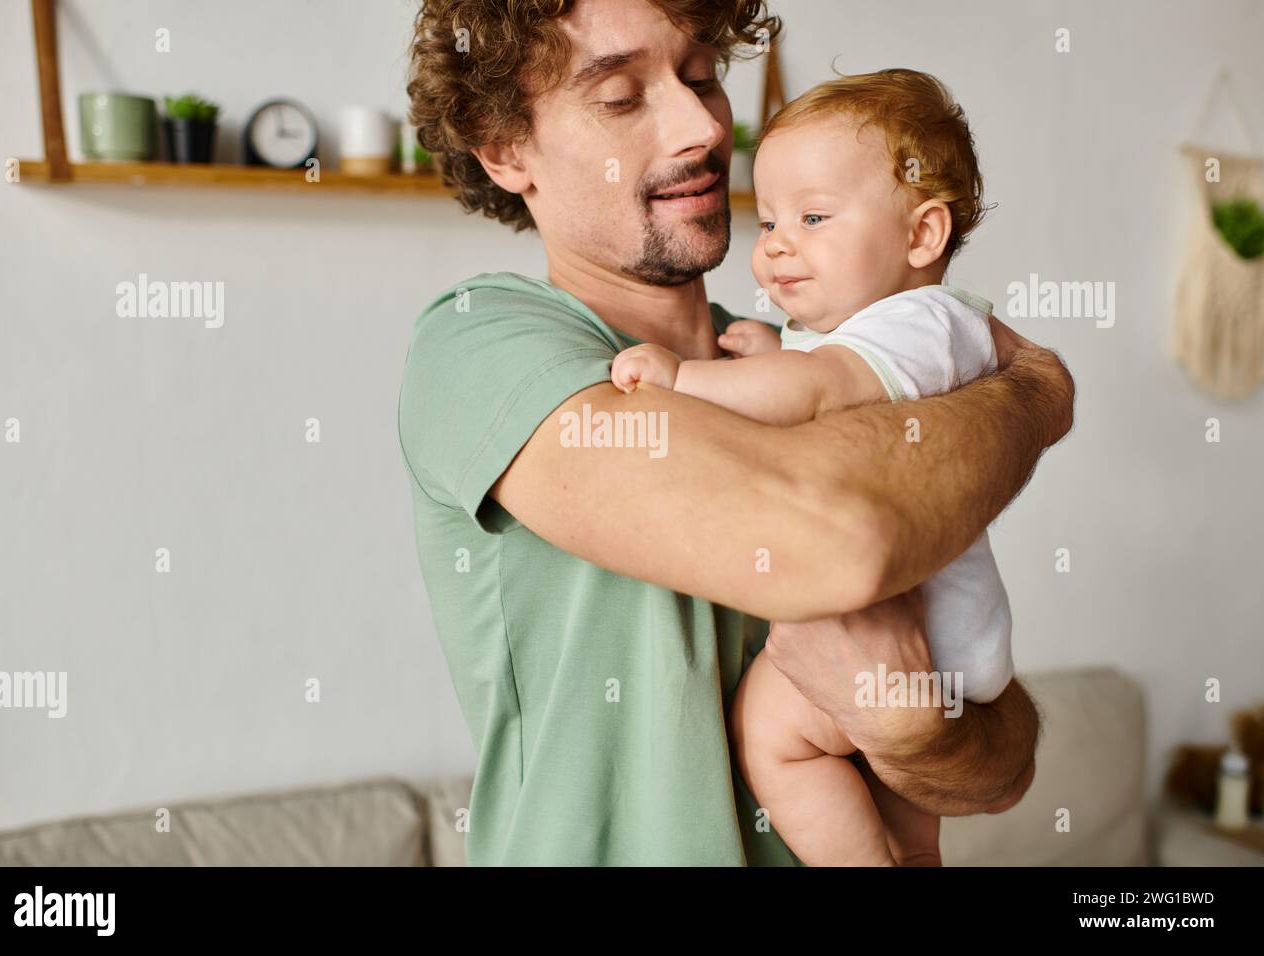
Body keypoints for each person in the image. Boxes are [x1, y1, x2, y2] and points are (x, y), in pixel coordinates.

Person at [399, 0, 1074, 865]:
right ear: (504, 148)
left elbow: (1002, 768)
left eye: (702, 76)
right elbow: (837, 543)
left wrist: (913, 729)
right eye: (620, 96)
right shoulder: (480, 341)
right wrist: (1032, 392)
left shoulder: (791, 356)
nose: (703, 128)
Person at [610, 68, 1015, 866]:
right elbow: (827, 371)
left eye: (814, 217)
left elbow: (823, 388)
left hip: (908, 633)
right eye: (768, 223)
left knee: (772, 735)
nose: (778, 244)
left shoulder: (922, 322)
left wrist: (685, 380)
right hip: (945, 637)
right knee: (901, 808)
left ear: (922, 236)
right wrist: (778, 347)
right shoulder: (904, 329)